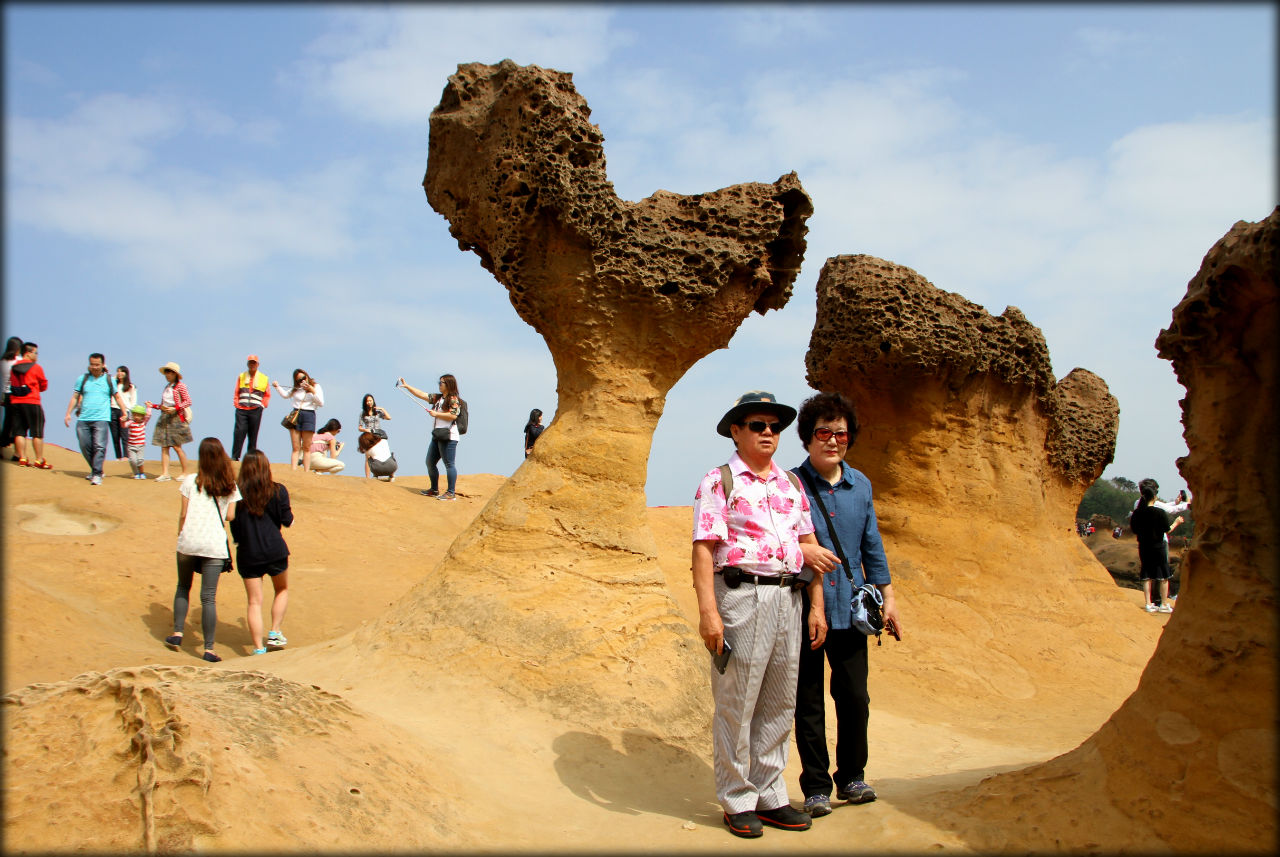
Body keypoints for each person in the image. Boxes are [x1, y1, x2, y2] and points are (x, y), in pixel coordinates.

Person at [691, 390, 834, 839]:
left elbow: (809, 549)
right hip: (740, 595)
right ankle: (737, 798)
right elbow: (703, 549)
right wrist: (708, 613)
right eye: (757, 425)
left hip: (788, 598)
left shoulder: (792, 485)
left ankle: (770, 793)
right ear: (737, 431)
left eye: (774, 426)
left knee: (779, 699)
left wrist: (817, 606)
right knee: (738, 700)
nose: (768, 432)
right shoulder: (719, 481)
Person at [788, 391, 900, 818]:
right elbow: (778, 542)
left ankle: (852, 776)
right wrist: (804, 554)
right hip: (804, 608)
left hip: (852, 610)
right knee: (809, 701)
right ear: (807, 437)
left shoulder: (861, 485)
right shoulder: (790, 485)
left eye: (841, 434)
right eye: (823, 432)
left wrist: (888, 599)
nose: (833, 441)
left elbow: (872, 544)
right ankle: (816, 786)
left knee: (854, 697)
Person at [166, 437, 241, 662]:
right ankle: (209, 648)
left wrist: (182, 534)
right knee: (208, 598)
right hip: (214, 544)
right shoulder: (229, 485)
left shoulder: (190, 481)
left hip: (189, 540)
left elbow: (183, 514)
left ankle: (177, 633)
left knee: (183, 587)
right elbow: (230, 516)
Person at [230, 449, 292, 654]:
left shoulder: (237, 495)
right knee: (281, 589)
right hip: (274, 548)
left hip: (248, 552)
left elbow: (235, 528)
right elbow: (287, 520)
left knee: (254, 602)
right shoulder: (278, 490)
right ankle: (274, 632)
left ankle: (258, 648)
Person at [64, 352, 128, 485]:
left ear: (103, 365)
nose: (94, 367)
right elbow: (75, 397)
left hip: (101, 418)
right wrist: (68, 413)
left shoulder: (109, 380)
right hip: (83, 418)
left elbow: (117, 397)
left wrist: (124, 412)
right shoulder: (83, 379)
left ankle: (97, 474)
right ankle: (96, 470)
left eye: (97, 365)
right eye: (92, 364)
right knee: (85, 445)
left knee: (99, 446)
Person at [398, 374, 461, 500]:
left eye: (441, 382)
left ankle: (451, 493)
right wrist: (407, 386)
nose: (439, 384)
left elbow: (454, 415)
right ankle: (434, 489)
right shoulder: (438, 398)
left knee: (449, 464)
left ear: (448, 384)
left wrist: (436, 413)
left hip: (448, 436)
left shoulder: (453, 399)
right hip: (437, 435)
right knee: (430, 462)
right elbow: (422, 394)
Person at [1129, 481, 1180, 613]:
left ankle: (1148, 604)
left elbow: (1134, 529)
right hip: (1159, 546)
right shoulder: (1159, 512)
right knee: (1163, 574)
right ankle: (1163, 604)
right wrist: (1177, 522)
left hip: (1144, 546)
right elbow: (1166, 530)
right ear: (1155, 497)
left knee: (1147, 574)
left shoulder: (1137, 513)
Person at [145, 361, 193, 482]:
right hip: (165, 416)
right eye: (166, 372)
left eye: (169, 372)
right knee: (164, 446)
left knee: (177, 446)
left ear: (175, 374)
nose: (167, 374)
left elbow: (188, 401)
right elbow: (163, 405)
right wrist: (154, 406)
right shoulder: (167, 387)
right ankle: (165, 473)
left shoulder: (180, 386)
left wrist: (175, 408)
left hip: (176, 417)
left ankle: (185, 473)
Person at [8, 342, 51, 469]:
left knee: (19, 431)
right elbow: (44, 385)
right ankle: (39, 459)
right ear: (28, 353)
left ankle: (22, 457)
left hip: (16, 401)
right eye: (35, 353)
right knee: (37, 432)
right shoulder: (36, 367)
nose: (37, 355)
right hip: (32, 401)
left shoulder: (13, 367)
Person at [273, 369, 324, 471]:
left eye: (303, 378)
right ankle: (293, 471)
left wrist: (311, 390)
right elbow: (286, 395)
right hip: (296, 414)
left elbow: (321, 403)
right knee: (296, 447)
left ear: (307, 376)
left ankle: (306, 472)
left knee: (306, 447)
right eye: (299, 380)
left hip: (309, 414)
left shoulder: (315, 386)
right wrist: (277, 387)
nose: (302, 381)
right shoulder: (296, 388)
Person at [231, 355, 271, 461]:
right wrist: (236, 403)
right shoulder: (241, 376)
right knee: (239, 432)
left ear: (257, 364)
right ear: (247, 364)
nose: (252, 365)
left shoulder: (264, 378)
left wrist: (262, 405)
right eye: (250, 363)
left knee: (253, 434)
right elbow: (236, 391)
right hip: (242, 409)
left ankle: (251, 458)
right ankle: (235, 456)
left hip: (256, 409)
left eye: (254, 363)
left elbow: (267, 394)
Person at [1, 335, 24, 459]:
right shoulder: (19, 361)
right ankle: (17, 453)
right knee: (18, 425)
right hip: (17, 394)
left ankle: (1, 448)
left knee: (7, 423)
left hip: (6, 395)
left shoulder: (3, 361)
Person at [110, 366, 137, 461]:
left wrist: (129, 411)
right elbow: (110, 379)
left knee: (124, 435)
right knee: (115, 435)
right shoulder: (114, 384)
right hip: (113, 409)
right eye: (118, 371)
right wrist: (115, 376)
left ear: (126, 373)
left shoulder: (131, 386)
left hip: (124, 411)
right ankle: (118, 456)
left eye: (122, 372)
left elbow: (133, 401)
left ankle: (126, 456)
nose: (119, 373)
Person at [124, 404, 152, 478]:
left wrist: (148, 407)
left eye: (139, 415)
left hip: (141, 445)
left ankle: (142, 473)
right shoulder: (131, 422)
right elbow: (124, 425)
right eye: (135, 415)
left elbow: (148, 415)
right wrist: (122, 420)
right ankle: (136, 473)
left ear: (142, 416)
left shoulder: (143, 423)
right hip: (131, 446)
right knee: (133, 461)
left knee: (140, 460)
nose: (136, 417)